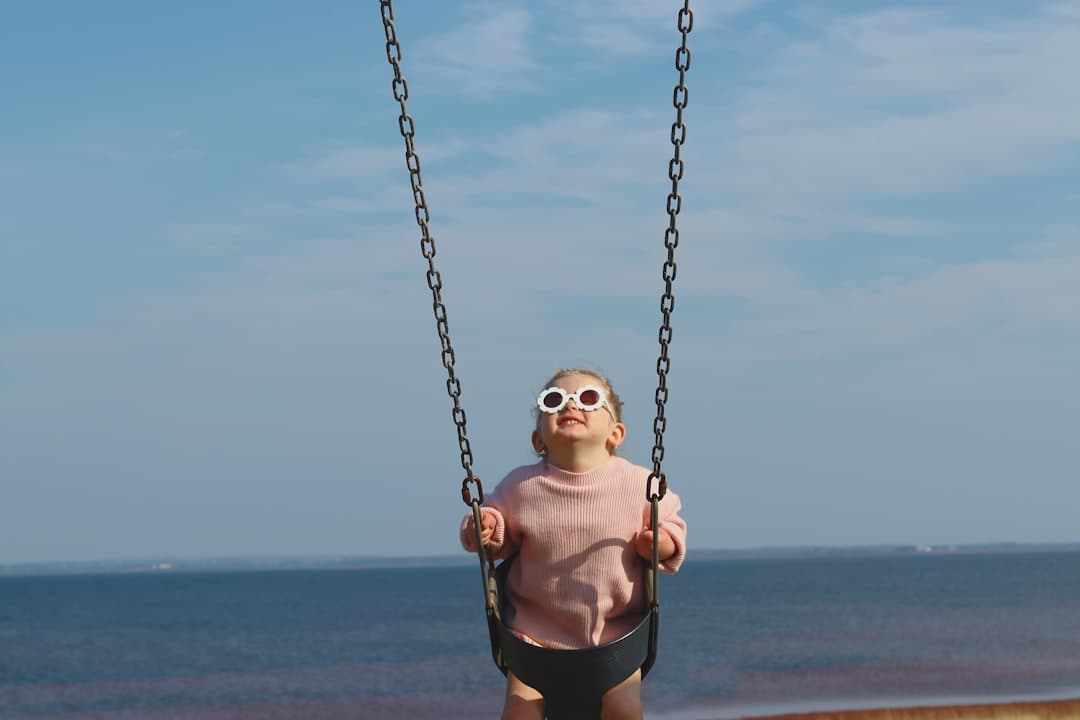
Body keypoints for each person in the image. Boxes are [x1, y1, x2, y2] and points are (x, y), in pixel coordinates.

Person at [461, 368, 687, 720]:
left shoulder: (638, 483)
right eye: (554, 401)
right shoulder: (521, 486)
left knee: (623, 710)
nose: (570, 406)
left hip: (618, 633)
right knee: (520, 713)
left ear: (616, 433)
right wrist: (485, 528)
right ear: (539, 439)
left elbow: (672, 524)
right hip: (533, 635)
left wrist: (661, 545)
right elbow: (493, 528)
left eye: (588, 399)